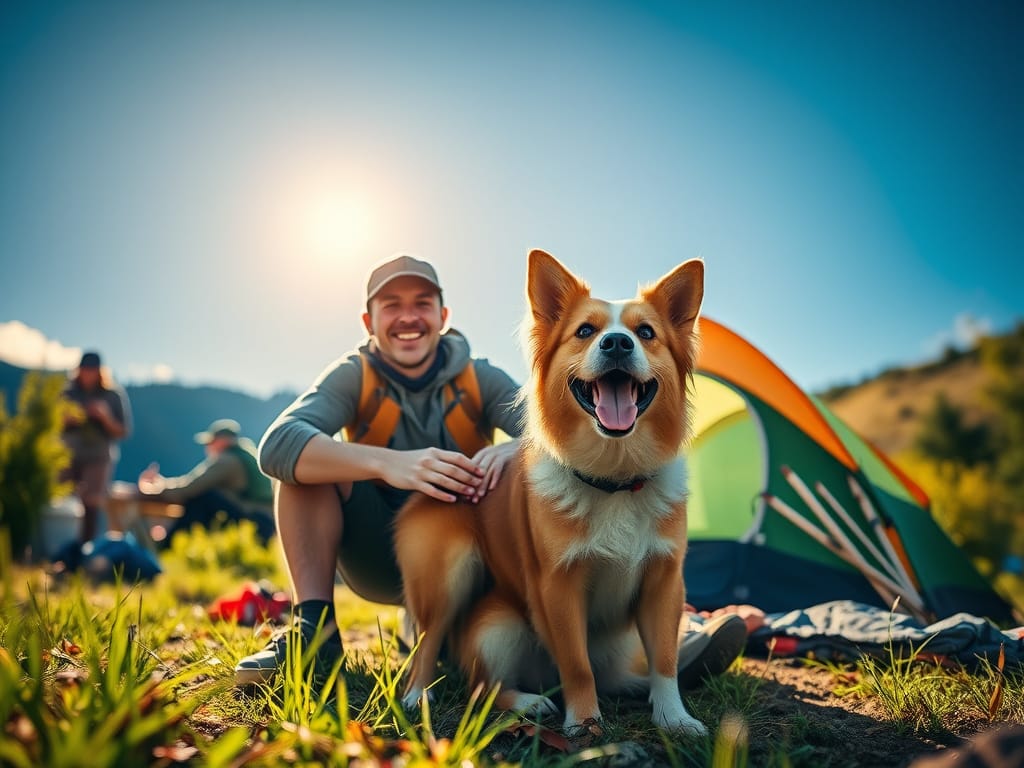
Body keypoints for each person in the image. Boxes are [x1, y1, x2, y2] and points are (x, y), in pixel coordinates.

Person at [234, 254, 746, 692]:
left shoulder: (478, 375)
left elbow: (557, 418)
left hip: (475, 561)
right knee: (300, 471)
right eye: (391, 306)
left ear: (443, 315)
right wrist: (392, 465)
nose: (407, 317)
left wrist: (515, 448)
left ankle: (650, 652)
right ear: (369, 322)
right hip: (375, 552)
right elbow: (277, 444)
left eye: (421, 304)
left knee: (542, 510)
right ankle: (314, 638)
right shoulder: (352, 375)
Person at [137, 418, 275, 545]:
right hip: (264, 520)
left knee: (203, 499)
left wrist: (156, 488)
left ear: (222, 441)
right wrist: (164, 483)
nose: (207, 448)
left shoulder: (226, 461)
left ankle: (166, 546)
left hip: (254, 521)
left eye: (210, 442)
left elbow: (191, 487)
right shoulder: (244, 456)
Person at [61, 350, 132, 543]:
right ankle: (62, 547)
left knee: (91, 502)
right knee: (62, 500)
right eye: (84, 369)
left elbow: (124, 431)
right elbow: (52, 424)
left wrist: (105, 418)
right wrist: (68, 419)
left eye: (91, 370)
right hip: (67, 455)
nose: (87, 374)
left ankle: (86, 549)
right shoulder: (68, 392)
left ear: (100, 372)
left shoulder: (112, 395)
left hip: (98, 457)